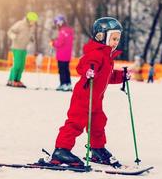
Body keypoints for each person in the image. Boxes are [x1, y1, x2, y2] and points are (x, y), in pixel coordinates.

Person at [49, 17, 129, 168]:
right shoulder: (95, 54)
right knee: (76, 122)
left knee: (98, 123)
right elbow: (84, 66)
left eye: (117, 38)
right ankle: (61, 150)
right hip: (84, 96)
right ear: (101, 36)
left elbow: (107, 76)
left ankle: (97, 149)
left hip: (96, 99)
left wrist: (122, 76)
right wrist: (89, 71)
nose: (116, 42)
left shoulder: (107, 56)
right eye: (113, 38)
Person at [6, 12, 38, 88]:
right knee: (17, 65)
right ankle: (12, 80)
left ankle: (17, 80)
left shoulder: (31, 27)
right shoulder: (20, 24)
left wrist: (31, 39)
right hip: (17, 47)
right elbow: (10, 31)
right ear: (28, 19)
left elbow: (28, 35)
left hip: (24, 48)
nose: (33, 22)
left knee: (21, 66)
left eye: (34, 21)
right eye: (32, 21)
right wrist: (12, 36)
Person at [49, 15, 74, 92]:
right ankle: (68, 84)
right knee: (66, 69)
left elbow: (59, 43)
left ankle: (63, 84)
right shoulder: (69, 31)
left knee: (62, 70)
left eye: (57, 23)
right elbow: (65, 41)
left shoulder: (62, 31)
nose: (56, 25)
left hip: (62, 55)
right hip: (67, 54)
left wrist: (53, 43)